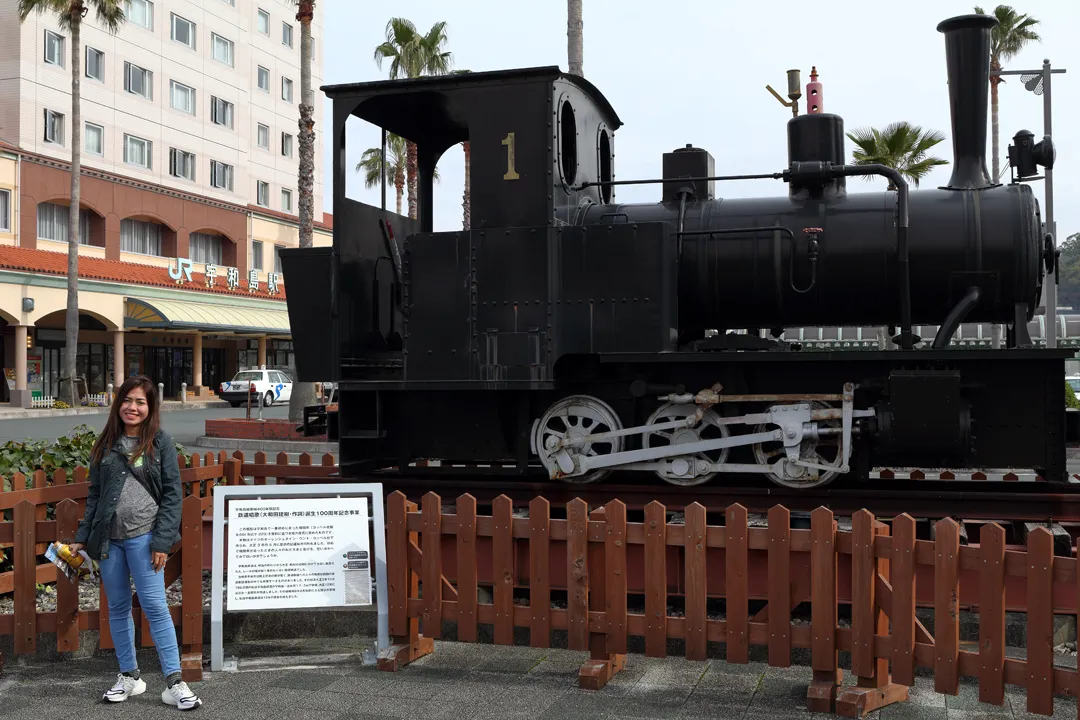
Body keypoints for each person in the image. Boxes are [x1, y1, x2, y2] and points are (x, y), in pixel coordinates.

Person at [67, 376, 203, 711]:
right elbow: (95, 495)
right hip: (110, 541)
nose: (133, 407)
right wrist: (83, 538)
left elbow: (173, 495)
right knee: (117, 607)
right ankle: (129, 676)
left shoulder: (160, 442)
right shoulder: (106, 443)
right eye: (128, 400)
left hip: (145, 538)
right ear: (119, 403)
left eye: (141, 402)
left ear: (150, 407)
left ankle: (174, 682)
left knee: (155, 607)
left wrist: (162, 541)